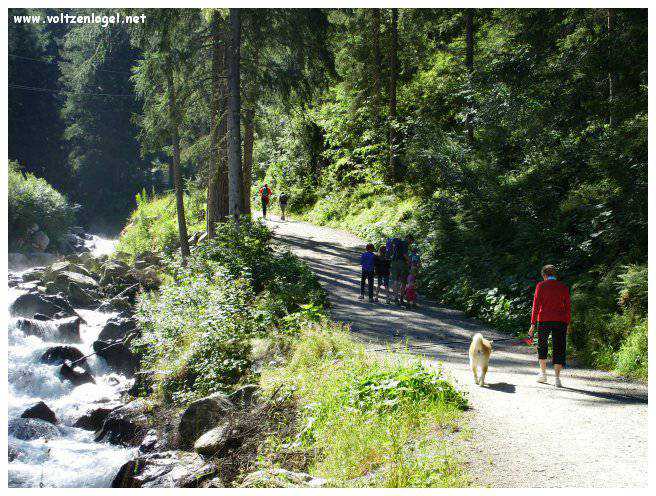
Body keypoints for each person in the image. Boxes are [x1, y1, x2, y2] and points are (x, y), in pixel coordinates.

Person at [529, 264, 572, 388]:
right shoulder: (563, 287)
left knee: (542, 345)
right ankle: (557, 379)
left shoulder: (540, 286)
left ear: (544, 275)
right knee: (559, 346)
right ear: (554, 274)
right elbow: (568, 306)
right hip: (560, 320)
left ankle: (543, 374)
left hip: (544, 320)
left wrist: (532, 323)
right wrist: (568, 322)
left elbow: (536, 305)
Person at [389, 234, 414, 305]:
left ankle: (395, 298)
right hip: (402, 263)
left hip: (394, 262)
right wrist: (410, 262)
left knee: (395, 281)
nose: (411, 243)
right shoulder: (405, 244)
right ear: (409, 239)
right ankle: (401, 299)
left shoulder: (398, 243)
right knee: (403, 282)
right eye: (411, 241)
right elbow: (405, 254)